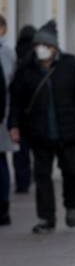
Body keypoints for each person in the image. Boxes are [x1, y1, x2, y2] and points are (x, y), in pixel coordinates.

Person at [7, 21, 75, 234]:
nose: (40, 49)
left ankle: (71, 205)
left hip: (68, 132)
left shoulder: (70, 65)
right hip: (39, 133)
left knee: (74, 173)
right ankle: (46, 218)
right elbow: (17, 100)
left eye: (44, 45)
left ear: (54, 47)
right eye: (37, 44)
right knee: (42, 177)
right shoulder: (26, 69)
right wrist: (14, 125)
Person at [11, 24, 34, 196]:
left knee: (21, 151)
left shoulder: (16, 52)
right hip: (35, 111)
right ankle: (35, 177)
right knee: (39, 150)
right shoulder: (35, 57)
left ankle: (22, 182)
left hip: (20, 112)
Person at [0, 13, 13, 226]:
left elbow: (9, 83)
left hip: (2, 115)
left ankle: (3, 207)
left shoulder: (7, 53)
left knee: (0, 161)